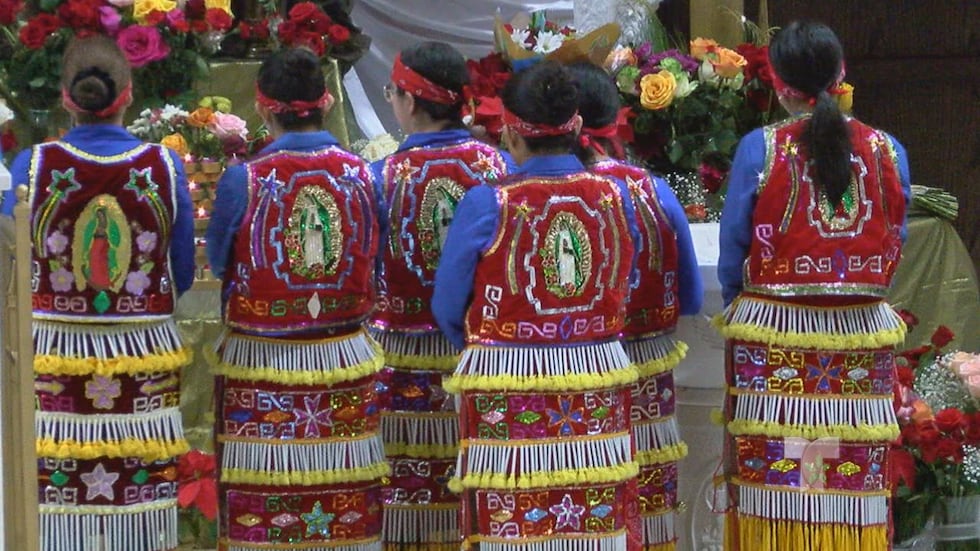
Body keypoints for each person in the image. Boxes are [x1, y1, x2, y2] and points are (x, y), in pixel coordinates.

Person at [715, 21, 911, 550]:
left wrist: (744, 300)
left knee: (784, 473)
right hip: (857, 338)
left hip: (776, 338)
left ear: (778, 85)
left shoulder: (763, 148)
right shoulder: (887, 150)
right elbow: (897, 233)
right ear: (842, 75)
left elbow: (735, 246)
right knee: (842, 470)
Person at [432, 60, 641, 549]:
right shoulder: (614, 194)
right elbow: (620, 280)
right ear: (574, 129)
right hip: (594, 371)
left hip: (506, 379)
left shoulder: (489, 202)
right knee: (589, 512)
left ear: (509, 132)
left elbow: (447, 304)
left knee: (514, 520)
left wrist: (489, 343)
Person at [0, 35, 194, 550]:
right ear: (129, 95)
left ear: (66, 99)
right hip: (142, 352)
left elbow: (10, 270)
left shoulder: (30, 166)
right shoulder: (164, 165)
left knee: (55, 483)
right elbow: (184, 271)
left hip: (54, 354)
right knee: (140, 481)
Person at [205, 47, 386, 548]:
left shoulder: (244, 178)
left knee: (261, 487)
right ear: (326, 103)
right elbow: (378, 249)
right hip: (342, 353)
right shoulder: (362, 173)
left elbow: (219, 262)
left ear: (263, 108)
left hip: (260, 360)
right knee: (343, 480)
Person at [368, 41, 508, 549]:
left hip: (403, 356)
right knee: (471, 471)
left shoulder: (383, 176)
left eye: (393, 93)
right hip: (480, 355)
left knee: (408, 485)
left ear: (409, 100)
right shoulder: (498, 166)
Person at [569, 61, 703, 551]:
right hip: (645, 368)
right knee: (645, 500)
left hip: (576, 370)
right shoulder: (653, 190)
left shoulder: (539, 194)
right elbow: (688, 294)